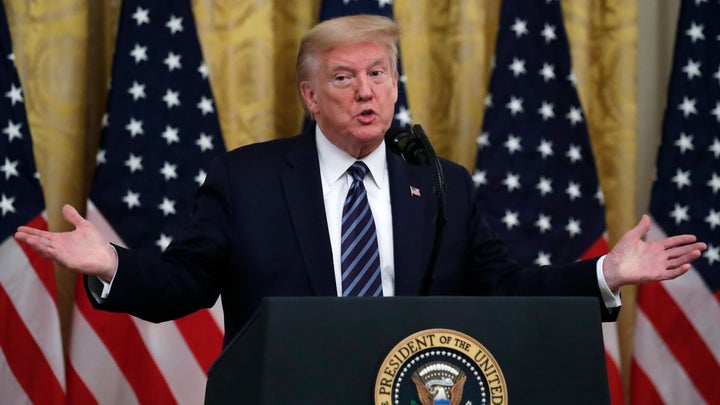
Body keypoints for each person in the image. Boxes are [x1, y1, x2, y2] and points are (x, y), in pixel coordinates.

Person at [15, 15, 706, 347]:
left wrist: (605, 273)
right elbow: (185, 284)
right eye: (344, 78)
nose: (366, 91)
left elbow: (501, 286)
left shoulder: (442, 184)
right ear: (311, 97)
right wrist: (111, 263)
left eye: (379, 73)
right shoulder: (247, 178)